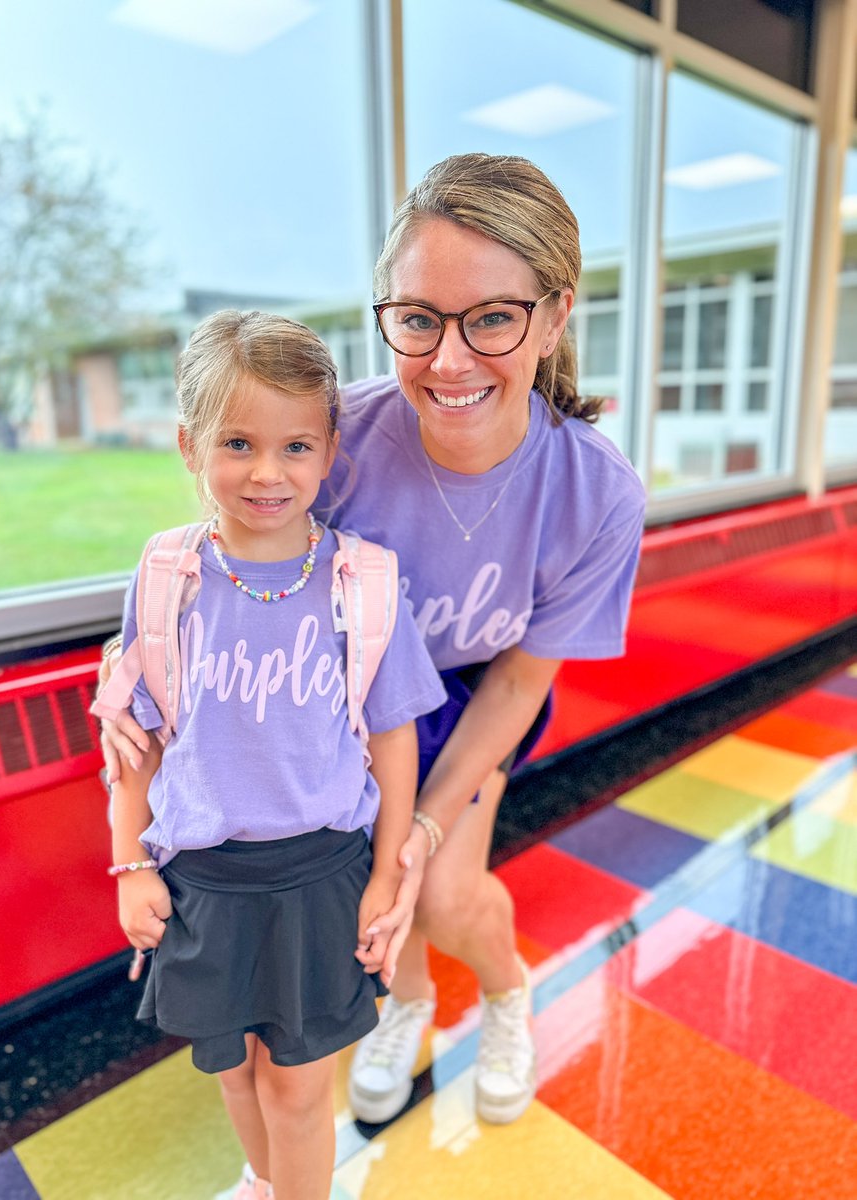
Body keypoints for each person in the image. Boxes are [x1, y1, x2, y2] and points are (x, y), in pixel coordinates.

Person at [102, 153, 646, 1134]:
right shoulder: (336, 436)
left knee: (433, 890)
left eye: (492, 318)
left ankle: (505, 986)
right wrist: (131, 659)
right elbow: (227, 552)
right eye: (418, 318)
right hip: (335, 701)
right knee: (364, 889)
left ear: (556, 315)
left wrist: (429, 826)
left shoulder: (597, 494)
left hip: (477, 694)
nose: (448, 359)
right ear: (387, 312)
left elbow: (524, 678)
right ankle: (409, 1004)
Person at [101, 310, 446, 1200]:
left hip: (321, 874)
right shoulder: (166, 574)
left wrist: (387, 873)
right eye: (238, 442)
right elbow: (134, 736)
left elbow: (395, 735)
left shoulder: (361, 581)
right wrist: (131, 863)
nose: (267, 471)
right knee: (234, 1067)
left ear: (329, 452)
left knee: (297, 1082)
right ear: (189, 445)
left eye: (295, 446)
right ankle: (263, 1182)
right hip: (203, 877)